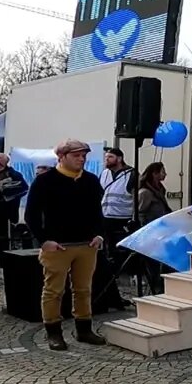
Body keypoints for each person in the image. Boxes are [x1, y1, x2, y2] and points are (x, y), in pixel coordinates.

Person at [24, 139, 107, 351]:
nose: (81, 159)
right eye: (76, 155)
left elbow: (97, 211)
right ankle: (54, 332)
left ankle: (84, 330)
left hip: (86, 245)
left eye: (84, 156)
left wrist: (99, 234)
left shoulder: (90, 181)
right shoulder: (44, 181)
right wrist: (44, 240)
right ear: (62, 157)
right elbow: (31, 214)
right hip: (58, 246)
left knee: (83, 289)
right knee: (53, 291)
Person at [97, 147, 136, 311]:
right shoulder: (104, 173)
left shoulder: (131, 174)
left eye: (110, 157)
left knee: (122, 251)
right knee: (108, 251)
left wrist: (133, 218)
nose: (107, 159)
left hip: (122, 218)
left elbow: (136, 196)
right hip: (105, 217)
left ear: (119, 158)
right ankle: (111, 282)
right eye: (106, 157)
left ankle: (126, 275)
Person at [135, 162, 172, 294]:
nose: (165, 174)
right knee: (152, 262)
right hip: (151, 232)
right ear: (154, 174)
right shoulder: (145, 193)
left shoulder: (160, 190)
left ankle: (161, 283)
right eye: (162, 171)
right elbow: (140, 213)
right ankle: (154, 285)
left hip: (162, 230)